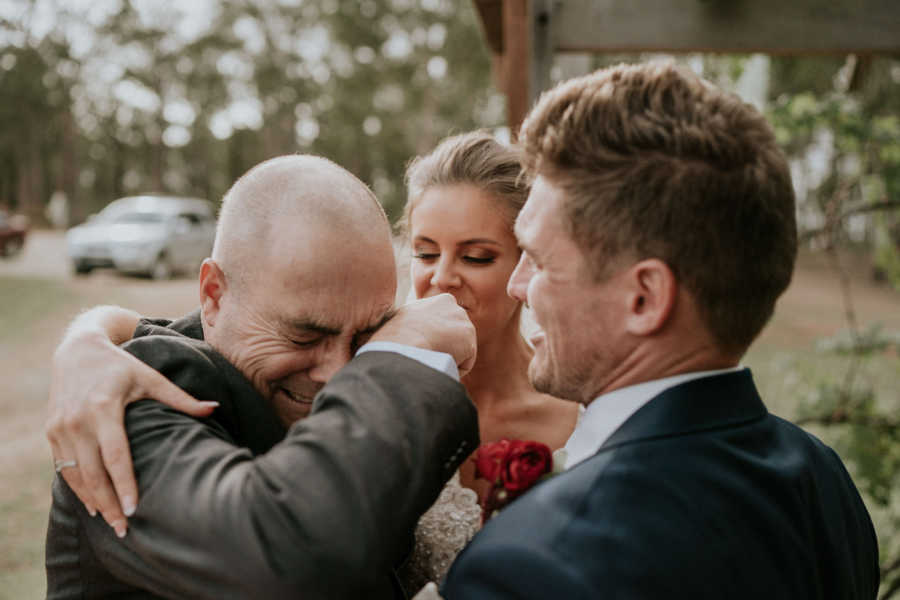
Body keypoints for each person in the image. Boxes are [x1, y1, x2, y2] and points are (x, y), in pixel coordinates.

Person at [439, 62, 880, 598]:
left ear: (644, 298)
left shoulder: (532, 562)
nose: (517, 286)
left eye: (537, 259)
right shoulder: (824, 481)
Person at [45, 154, 480, 599]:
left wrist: (93, 328)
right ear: (214, 295)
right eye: (304, 334)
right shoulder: (129, 400)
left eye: (367, 335)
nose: (340, 373)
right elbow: (281, 558)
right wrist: (400, 354)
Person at [396, 132, 579, 590]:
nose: (441, 277)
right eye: (425, 252)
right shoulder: (378, 394)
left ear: (527, 264)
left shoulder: (581, 408)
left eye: (476, 257)